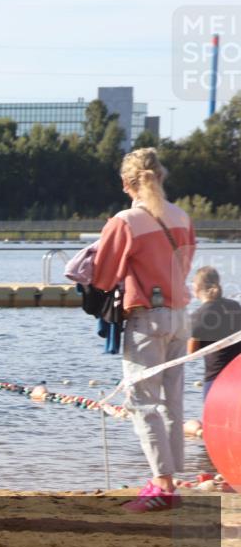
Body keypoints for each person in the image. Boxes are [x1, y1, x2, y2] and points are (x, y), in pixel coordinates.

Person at [92, 148, 196, 513]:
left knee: (143, 401)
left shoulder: (126, 221)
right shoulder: (182, 217)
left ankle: (162, 486)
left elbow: (102, 277)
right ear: (162, 177)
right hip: (181, 314)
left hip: (147, 318)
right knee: (172, 400)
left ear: (126, 183)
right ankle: (170, 481)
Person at [188, 266, 241, 400]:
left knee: (207, 422)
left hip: (216, 379)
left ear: (197, 287)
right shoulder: (235, 306)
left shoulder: (198, 315)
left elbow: (191, 353)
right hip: (237, 377)